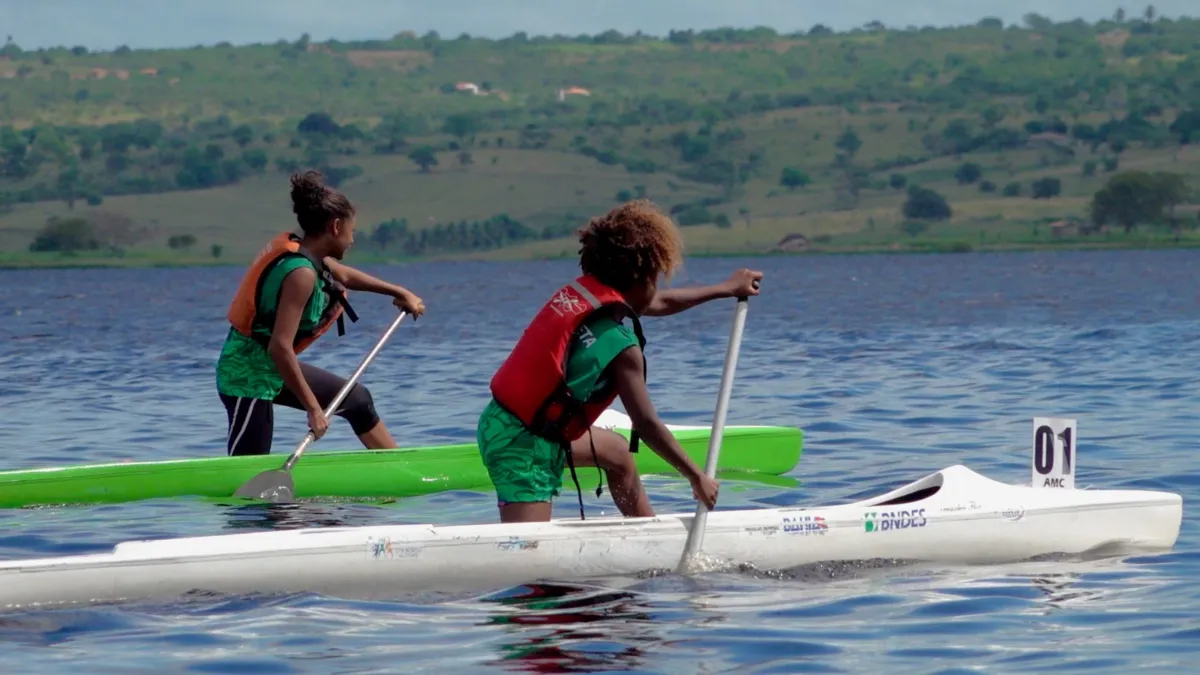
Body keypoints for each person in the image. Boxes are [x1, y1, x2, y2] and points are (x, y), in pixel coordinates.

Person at [479, 199, 763, 523]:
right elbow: (646, 425)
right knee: (528, 562)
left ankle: (648, 536)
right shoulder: (623, 348)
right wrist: (696, 477)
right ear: (641, 277)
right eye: (656, 277)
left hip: (504, 422)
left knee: (617, 454)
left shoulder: (585, 295)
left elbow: (659, 301)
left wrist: (726, 289)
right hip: (524, 447)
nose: (657, 288)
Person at [216, 170, 426, 456]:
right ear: (337, 227)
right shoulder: (300, 274)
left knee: (357, 400)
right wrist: (314, 410)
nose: (353, 240)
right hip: (246, 374)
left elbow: (346, 277)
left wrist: (399, 292)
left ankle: (401, 468)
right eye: (353, 231)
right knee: (247, 472)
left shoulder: (311, 256)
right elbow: (280, 348)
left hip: (269, 367)